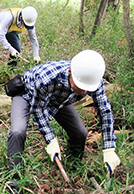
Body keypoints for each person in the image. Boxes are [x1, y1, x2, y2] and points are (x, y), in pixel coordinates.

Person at [7, 50, 120, 193]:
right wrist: (51, 140)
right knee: (17, 131)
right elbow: (38, 110)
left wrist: (109, 148)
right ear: (70, 71)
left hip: (58, 100)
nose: (83, 91)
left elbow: (104, 111)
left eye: (87, 88)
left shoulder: (93, 81)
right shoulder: (47, 78)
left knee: (80, 132)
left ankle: (74, 164)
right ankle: (16, 182)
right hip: (27, 94)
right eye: (79, 86)